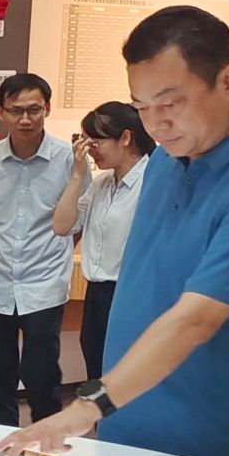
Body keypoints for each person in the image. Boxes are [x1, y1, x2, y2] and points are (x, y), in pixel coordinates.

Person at [0, 6, 229, 456]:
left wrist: (86, 406)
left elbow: (196, 318)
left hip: (213, 454)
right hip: (125, 438)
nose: (156, 124)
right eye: (143, 107)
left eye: (170, 103)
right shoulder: (168, 160)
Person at [0, 72, 75, 426]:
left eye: (34, 110)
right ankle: (1, 443)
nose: (25, 119)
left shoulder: (68, 160)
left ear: (47, 109)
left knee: (42, 375)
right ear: (1, 113)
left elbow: (75, 225)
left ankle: (46, 443)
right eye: (16, 111)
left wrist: (49, 257)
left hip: (44, 285)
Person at [52, 100, 152, 381]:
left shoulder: (153, 180)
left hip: (131, 294)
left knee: (125, 377)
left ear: (126, 138)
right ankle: (99, 413)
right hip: (97, 294)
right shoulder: (102, 183)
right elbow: (62, 226)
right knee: (97, 370)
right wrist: (77, 175)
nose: (90, 150)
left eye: (95, 142)